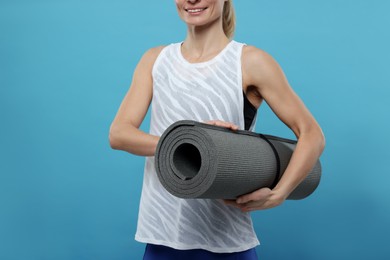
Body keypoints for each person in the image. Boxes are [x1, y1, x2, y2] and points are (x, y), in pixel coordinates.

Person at [109, 0, 325, 259]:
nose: (192, 0)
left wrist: (279, 194)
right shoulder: (155, 60)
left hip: (226, 244)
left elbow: (312, 135)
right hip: (161, 238)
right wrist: (190, 143)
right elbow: (119, 134)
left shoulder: (250, 61)